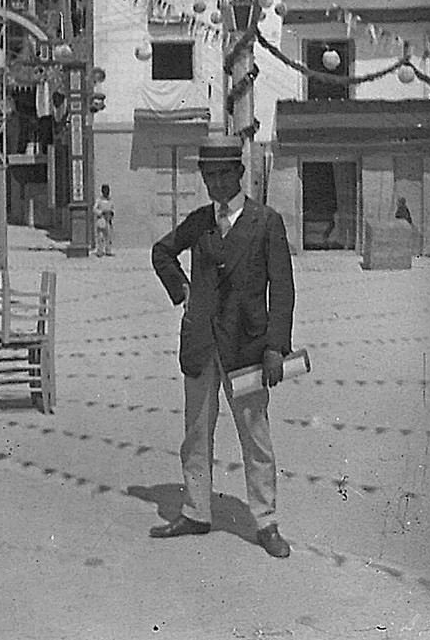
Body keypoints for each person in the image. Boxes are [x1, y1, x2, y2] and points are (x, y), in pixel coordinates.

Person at [150, 136, 295, 559]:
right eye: (208, 176)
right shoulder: (199, 222)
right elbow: (162, 252)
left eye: (223, 174)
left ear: (240, 174)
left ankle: (265, 522)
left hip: (247, 349)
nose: (215, 183)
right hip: (200, 345)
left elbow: (282, 290)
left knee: (255, 437)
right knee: (195, 432)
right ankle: (197, 512)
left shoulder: (266, 222)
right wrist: (184, 293)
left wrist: (275, 347)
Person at [93, 184, 115, 257]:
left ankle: (108, 250)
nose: (107, 192)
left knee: (108, 236)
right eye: (105, 191)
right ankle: (100, 251)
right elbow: (94, 209)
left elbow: (112, 208)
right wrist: (101, 212)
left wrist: (111, 213)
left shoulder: (110, 200)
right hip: (101, 219)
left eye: (108, 191)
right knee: (100, 236)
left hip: (108, 219)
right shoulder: (99, 200)